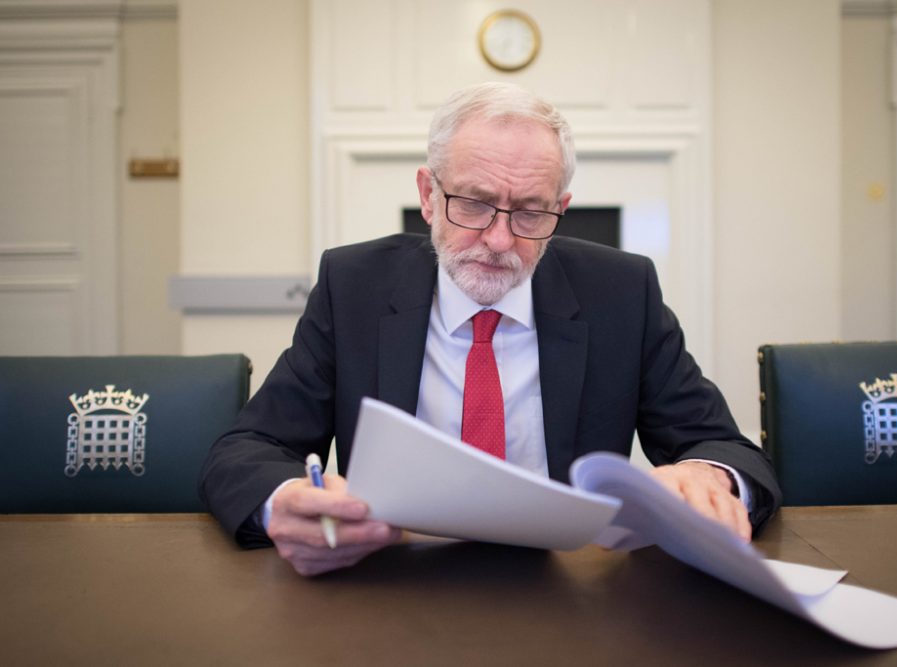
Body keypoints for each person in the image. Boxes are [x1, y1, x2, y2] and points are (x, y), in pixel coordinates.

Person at [198, 82, 781, 576]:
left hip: (570, 589)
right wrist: (284, 505)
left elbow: (727, 448)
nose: (499, 240)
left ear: (562, 208)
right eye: (473, 204)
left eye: (530, 212)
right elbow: (248, 450)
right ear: (428, 195)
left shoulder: (621, 293)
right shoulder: (354, 286)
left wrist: (708, 477)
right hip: (391, 583)